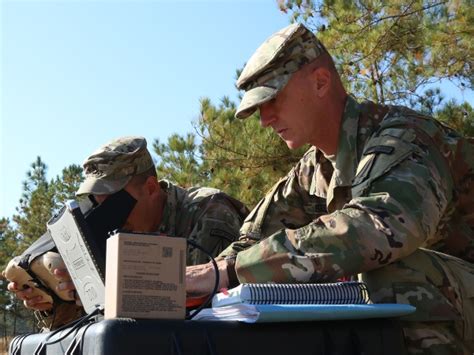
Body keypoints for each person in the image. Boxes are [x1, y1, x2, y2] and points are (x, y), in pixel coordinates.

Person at [186, 23, 474, 354]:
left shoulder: (404, 137)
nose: (264, 119)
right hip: (456, 300)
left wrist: (233, 271)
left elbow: (380, 228)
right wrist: (204, 277)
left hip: (456, 289)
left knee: (388, 275)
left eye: (273, 99)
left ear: (321, 82)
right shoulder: (315, 168)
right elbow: (252, 240)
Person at [8, 136, 248, 328]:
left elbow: (206, 304)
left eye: (117, 205)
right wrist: (54, 299)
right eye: (100, 206)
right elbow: (88, 325)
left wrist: (116, 288)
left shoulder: (209, 211)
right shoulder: (113, 235)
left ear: (151, 188)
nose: (112, 218)